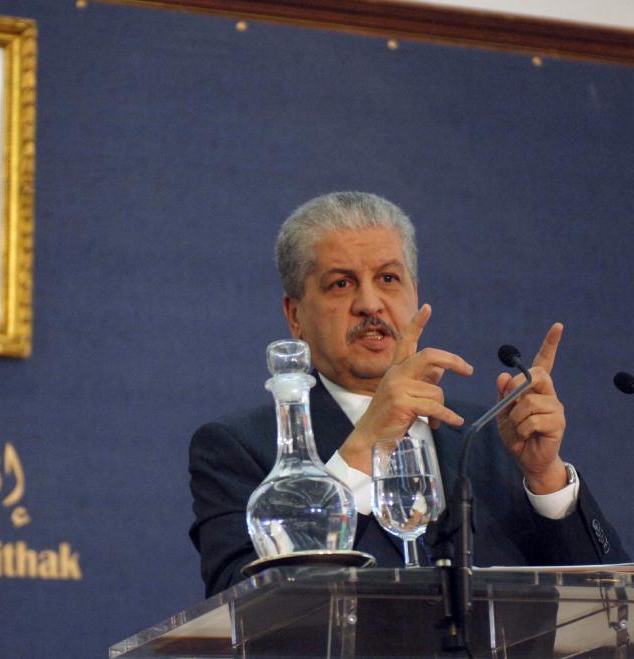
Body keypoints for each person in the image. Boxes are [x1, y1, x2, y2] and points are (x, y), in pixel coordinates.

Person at [189, 191, 628, 597]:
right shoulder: (238, 449)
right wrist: (364, 446)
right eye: (341, 283)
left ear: (415, 295)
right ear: (295, 315)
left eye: (388, 278)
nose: (370, 304)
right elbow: (241, 605)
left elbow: (609, 610)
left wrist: (546, 479)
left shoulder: (492, 438)